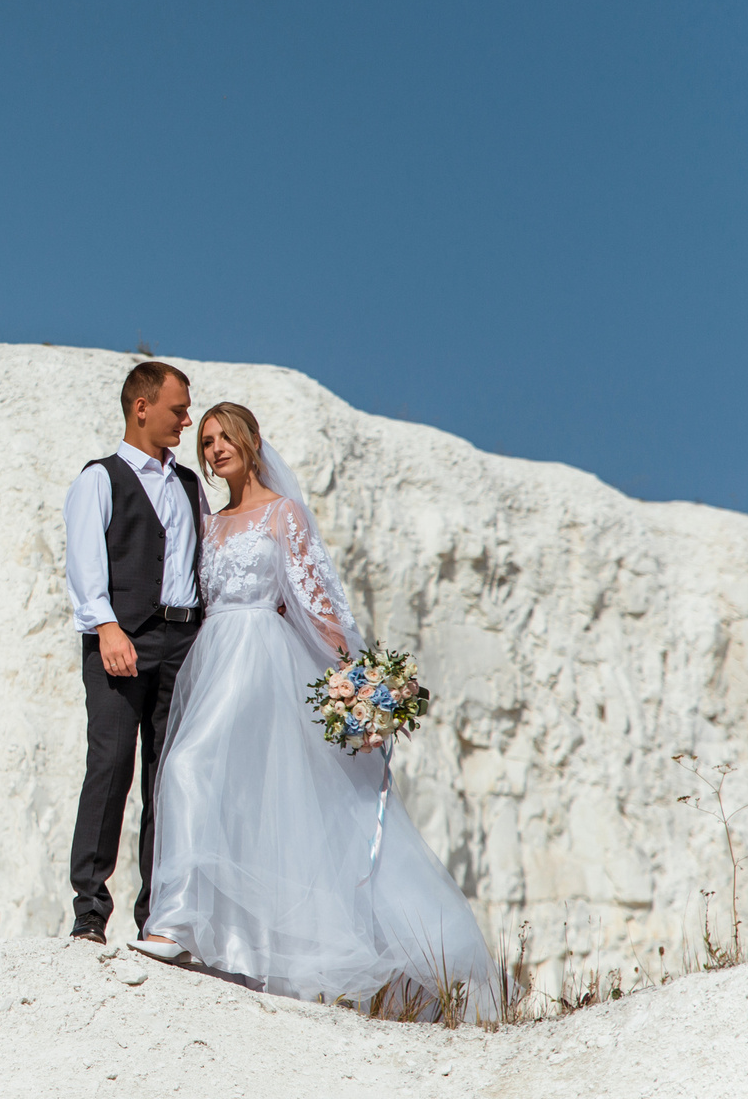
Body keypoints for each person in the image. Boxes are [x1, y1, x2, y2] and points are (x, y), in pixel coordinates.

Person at [133, 402, 498, 1017]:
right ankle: (235, 944)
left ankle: (174, 924)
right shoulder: (211, 521)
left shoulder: (284, 514)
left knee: (190, 769)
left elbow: (316, 599)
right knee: (227, 793)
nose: (216, 449)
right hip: (212, 655)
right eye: (207, 441)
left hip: (259, 662)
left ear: (251, 442)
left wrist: (354, 681)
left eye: (226, 437)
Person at [61, 360, 204, 945]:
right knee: (112, 768)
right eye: (178, 409)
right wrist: (107, 627)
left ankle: (158, 917)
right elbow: (84, 558)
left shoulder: (190, 485)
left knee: (166, 781)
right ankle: (90, 912)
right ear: (141, 407)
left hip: (183, 642)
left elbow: (200, 565)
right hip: (121, 639)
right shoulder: (100, 477)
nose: (186, 420)